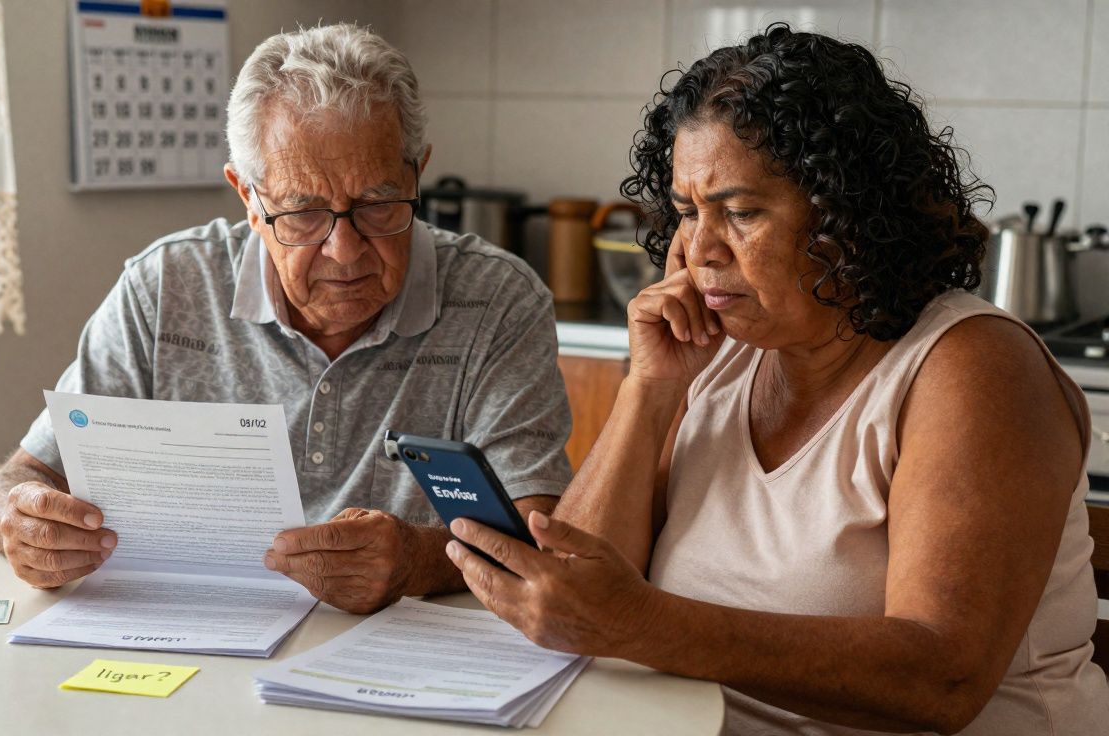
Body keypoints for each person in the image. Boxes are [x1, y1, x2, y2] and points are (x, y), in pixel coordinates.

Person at [443, 24, 1108, 735]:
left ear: (847, 214)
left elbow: (940, 676)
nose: (700, 251)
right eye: (687, 213)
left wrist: (644, 624)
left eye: (741, 212)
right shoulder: (724, 354)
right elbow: (568, 597)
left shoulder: (971, 368)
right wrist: (650, 390)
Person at [0, 24, 571, 614]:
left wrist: (416, 559)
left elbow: (534, 530)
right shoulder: (166, 289)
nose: (344, 249)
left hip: (401, 659)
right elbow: (27, 475)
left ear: (417, 175)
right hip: (196, 641)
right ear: (248, 198)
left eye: (376, 204)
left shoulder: (497, 301)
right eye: (304, 211)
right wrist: (19, 521)